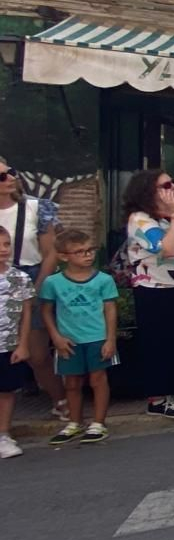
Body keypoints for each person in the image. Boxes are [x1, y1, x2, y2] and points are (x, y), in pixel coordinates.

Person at [121, 169, 174, 420]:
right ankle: (158, 398)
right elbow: (168, 248)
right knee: (160, 344)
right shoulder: (140, 219)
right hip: (156, 289)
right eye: (166, 185)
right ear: (149, 191)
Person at [41, 228, 119, 446]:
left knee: (98, 379)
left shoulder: (103, 280)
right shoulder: (53, 283)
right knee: (72, 383)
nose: (88, 255)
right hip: (69, 339)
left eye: (90, 250)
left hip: (96, 338)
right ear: (64, 257)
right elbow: (46, 310)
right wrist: (55, 337)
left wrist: (110, 339)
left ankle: (98, 423)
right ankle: (75, 422)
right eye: (80, 252)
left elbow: (110, 309)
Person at [0, 155, 65, 415]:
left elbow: (50, 252)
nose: (11, 178)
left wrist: (37, 287)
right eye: (2, 176)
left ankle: (59, 401)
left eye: (11, 172)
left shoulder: (36, 208)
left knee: (37, 352)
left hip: (30, 273)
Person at [0, 225, 35, 458]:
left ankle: (3, 433)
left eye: (6, 244)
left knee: (6, 390)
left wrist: (23, 344)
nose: (3, 250)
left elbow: (26, 314)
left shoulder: (19, 278)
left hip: (8, 344)